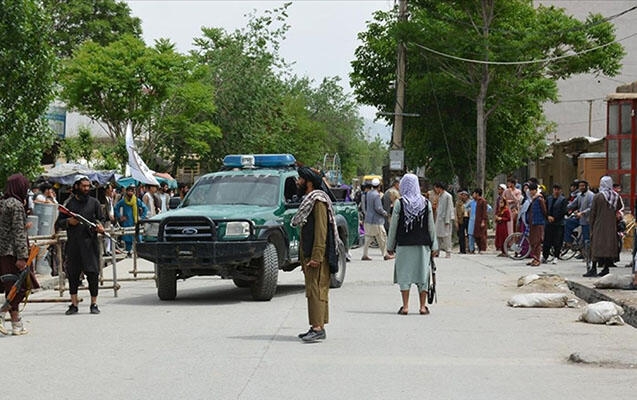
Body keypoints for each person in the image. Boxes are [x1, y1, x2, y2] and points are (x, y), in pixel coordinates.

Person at [292, 166, 340, 342]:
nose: (298, 182)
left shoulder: (318, 201)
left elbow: (321, 231)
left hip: (317, 255)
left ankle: (317, 328)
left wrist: (316, 256)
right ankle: (317, 325)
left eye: (300, 179)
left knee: (316, 290)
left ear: (308, 182)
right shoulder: (310, 200)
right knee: (316, 290)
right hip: (310, 253)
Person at [386, 173, 438, 315]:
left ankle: (406, 306)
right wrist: (434, 246)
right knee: (422, 275)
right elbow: (430, 226)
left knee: (404, 275)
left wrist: (390, 246)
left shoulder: (399, 203)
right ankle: (422, 306)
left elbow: (394, 227)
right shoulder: (425, 203)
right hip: (422, 246)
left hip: (403, 245)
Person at [56, 175, 106, 315]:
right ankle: (74, 304)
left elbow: (101, 219)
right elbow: (59, 222)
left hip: (90, 245)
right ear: (76, 186)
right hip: (74, 245)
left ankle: (94, 304)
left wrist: (99, 226)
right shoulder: (69, 204)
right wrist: (68, 222)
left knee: (93, 274)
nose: (86, 189)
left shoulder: (94, 203)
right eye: (83, 186)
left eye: (88, 186)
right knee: (73, 274)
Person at [0, 173, 40, 335]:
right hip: (13, 253)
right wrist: (22, 257)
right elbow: (18, 233)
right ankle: (2, 313)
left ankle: (16, 323)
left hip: (3, 251)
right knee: (21, 287)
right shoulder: (15, 205)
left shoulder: (3, 203)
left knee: (12, 288)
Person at [587, 176, 623, 278]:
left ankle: (593, 268)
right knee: (608, 246)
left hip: (599, 225)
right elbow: (619, 207)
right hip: (611, 226)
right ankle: (606, 268)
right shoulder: (615, 196)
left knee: (596, 245)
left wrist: (591, 225)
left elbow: (593, 212)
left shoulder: (598, 196)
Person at [361, 178, 392, 261]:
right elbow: (378, 208)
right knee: (382, 237)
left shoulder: (368, 194)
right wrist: (385, 213)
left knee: (368, 237)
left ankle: (365, 254)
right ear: (379, 186)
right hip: (376, 220)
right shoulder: (376, 195)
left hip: (368, 219)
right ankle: (385, 254)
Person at [114, 184, 148, 257]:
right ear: (126, 192)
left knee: (138, 238)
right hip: (127, 222)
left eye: (131, 191)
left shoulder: (137, 200)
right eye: (128, 191)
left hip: (136, 222)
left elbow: (145, 208)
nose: (130, 193)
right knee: (127, 239)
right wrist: (120, 217)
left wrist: (142, 217)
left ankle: (140, 253)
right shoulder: (123, 201)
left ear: (134, 192)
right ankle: (128, 253)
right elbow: (116, 208)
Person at [564, 180, 594, 251]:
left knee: (586, 238)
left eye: (583, 186)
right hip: (579, 218)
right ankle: (569, 242)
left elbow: (591, 208)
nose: (581, 187)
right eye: (580, 186)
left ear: (586, 186)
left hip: (587, 219)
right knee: (567, 222)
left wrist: (582, 213)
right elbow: (572, 205)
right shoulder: (579, 195)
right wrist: (563, 208)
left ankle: (587, 254)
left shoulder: (591, 195)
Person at [542, 184, 567, 264]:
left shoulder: (563, 200)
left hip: (558, 223)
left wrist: (555, 218)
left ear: (560, 190)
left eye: (558, 189)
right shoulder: (549, 198)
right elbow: (545, 209)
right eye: (555, 189)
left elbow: (563, 211)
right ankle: (545, 256)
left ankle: (556, 256)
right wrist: (548, 216)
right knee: (547, 241)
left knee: (557, 241)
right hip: (548, 223)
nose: (556, 191)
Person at [526, 182, 547, 266]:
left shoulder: (539, 199)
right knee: (533, 241)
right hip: (532, 222)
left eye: (532, 190)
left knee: (537, 241)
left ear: (535, 190)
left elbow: (544, 210)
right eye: (530, 190)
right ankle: (534, 257)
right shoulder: (533, 199)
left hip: (538, 222)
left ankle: (537, 259)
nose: (531, 192)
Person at [433, 182, 454, 258]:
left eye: (436, 188)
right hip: (439, 219)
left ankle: (448, 251)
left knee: (446, 236)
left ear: (439, 188)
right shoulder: (439, 196)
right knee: (437, 236)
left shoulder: (448, 196)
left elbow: (449, 208)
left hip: (445, 219)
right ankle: (436, 251)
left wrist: (447, 220)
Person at [472, 188, 488, 254]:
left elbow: (484, 212)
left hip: (481, 220)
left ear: (477, 194)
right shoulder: (477, 201)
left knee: (482, 235)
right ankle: (479, 248)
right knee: (476, 235)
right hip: (477, 220)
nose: (473, 195)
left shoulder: (483, 201)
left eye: (474, 193)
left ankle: (483, 249)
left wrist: (483, 221)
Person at [455, 190, 470, 254]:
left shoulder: (470, 202)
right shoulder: (458, 203)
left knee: (469, 234)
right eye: (462, 195)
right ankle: (462, 249)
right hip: (461, 219)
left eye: (465, 195)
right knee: (461, 235)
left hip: (468, 218)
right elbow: (456, 212)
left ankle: (470, 248)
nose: (463, 197)